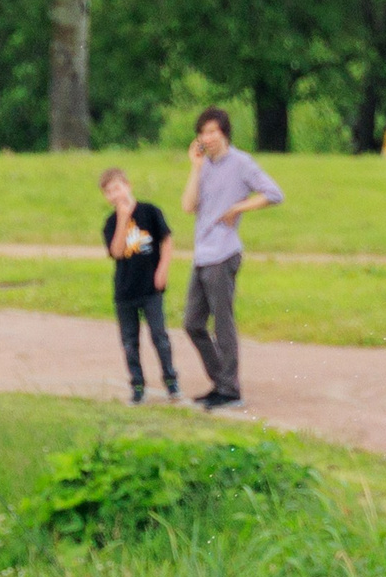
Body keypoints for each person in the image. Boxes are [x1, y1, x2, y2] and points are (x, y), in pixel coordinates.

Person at [178, 107, 284, 410]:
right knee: (192, 323)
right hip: (202, 253)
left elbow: (274, 193)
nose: (207, 137)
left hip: (224, 253)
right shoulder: (203, 166)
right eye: (203, 132)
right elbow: (187, 206)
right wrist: (195, 167)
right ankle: (221, 381)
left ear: (224, 132)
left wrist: (239, 207)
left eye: (212, 131)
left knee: (222, 324)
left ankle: (230, 390)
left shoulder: (241, 163)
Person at [99, 168, 177, 404]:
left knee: (159, 336)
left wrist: (163, 269)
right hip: (125, 290)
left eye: (117, 188)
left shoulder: (150, 211)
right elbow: (116, 251)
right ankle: (138, 385)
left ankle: (171, 381)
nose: (115, 194)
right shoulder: (111, 223)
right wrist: (123, 219)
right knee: (129, 341)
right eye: (109, 192)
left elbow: (166, 240)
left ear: (128, 186)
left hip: (150, 288)